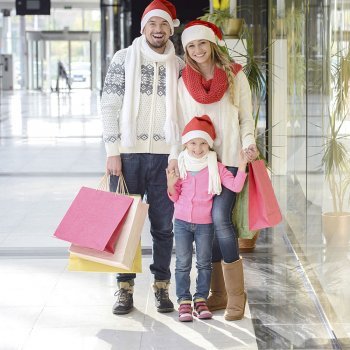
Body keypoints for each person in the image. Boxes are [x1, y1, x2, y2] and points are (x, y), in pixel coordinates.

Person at [100, 0, 185, 315]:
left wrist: (177, 156)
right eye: (153, 24)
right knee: (126, 226)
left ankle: (162, 287)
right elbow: (109, 105)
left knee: (164, 227)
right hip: (128, 156)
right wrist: (112, 151)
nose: (158, 30)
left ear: (170, 29)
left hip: (166, 159)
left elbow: (186, 113)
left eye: (164, 24)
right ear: (143, 27)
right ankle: (124, 288)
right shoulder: (124, 58)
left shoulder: (179, 65)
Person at [177, 20, 259, 321]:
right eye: (191, 46)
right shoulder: (184, 80)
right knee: (206, 225)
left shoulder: (235, 76)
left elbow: (246, 118)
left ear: (212, 44)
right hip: (198, 163)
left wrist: (249, 142)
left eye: (202, 43)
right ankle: (219, 293)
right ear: (186, 50)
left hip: (231, 159)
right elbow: (180, 123)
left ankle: (237, 295)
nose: (198, 50)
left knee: (219, 218)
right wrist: (178, 159)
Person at [167, 115, 248, 322]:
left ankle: (201, 298)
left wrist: (241, 166)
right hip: (182, 222)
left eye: (203, 143)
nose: (198, 148)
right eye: (193, 143)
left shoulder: (216, 166)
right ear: (185, 143)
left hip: (205, 224)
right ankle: (184, 301)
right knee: (183, 263)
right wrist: (170, 184)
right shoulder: (181, 164)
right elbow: (174, 196)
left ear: (210, 145)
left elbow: (236, 187)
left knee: (204, 263)